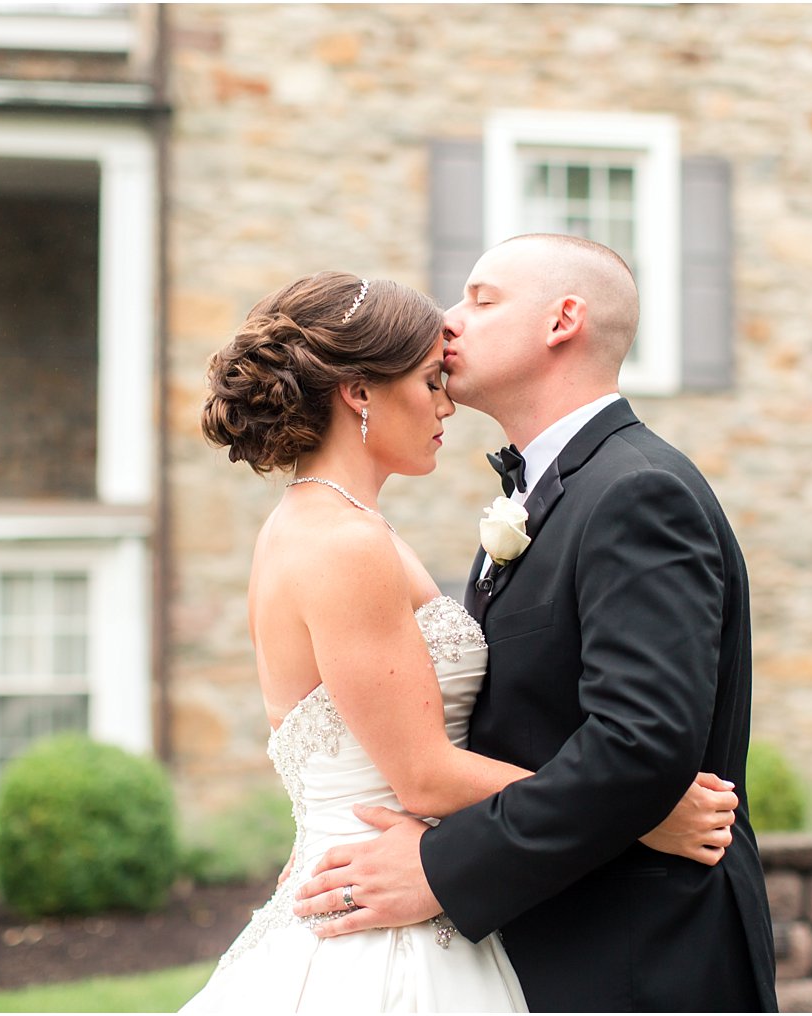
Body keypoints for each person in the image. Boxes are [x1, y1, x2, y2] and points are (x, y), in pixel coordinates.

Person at [180, 270, 739, 1013]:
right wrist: (640, 813)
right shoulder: (344, 541)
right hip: (381, 912)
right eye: (429, 380)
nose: (446, 404)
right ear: (359, 393)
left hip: (405, 881)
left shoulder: (340, 526)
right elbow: (422, 775)